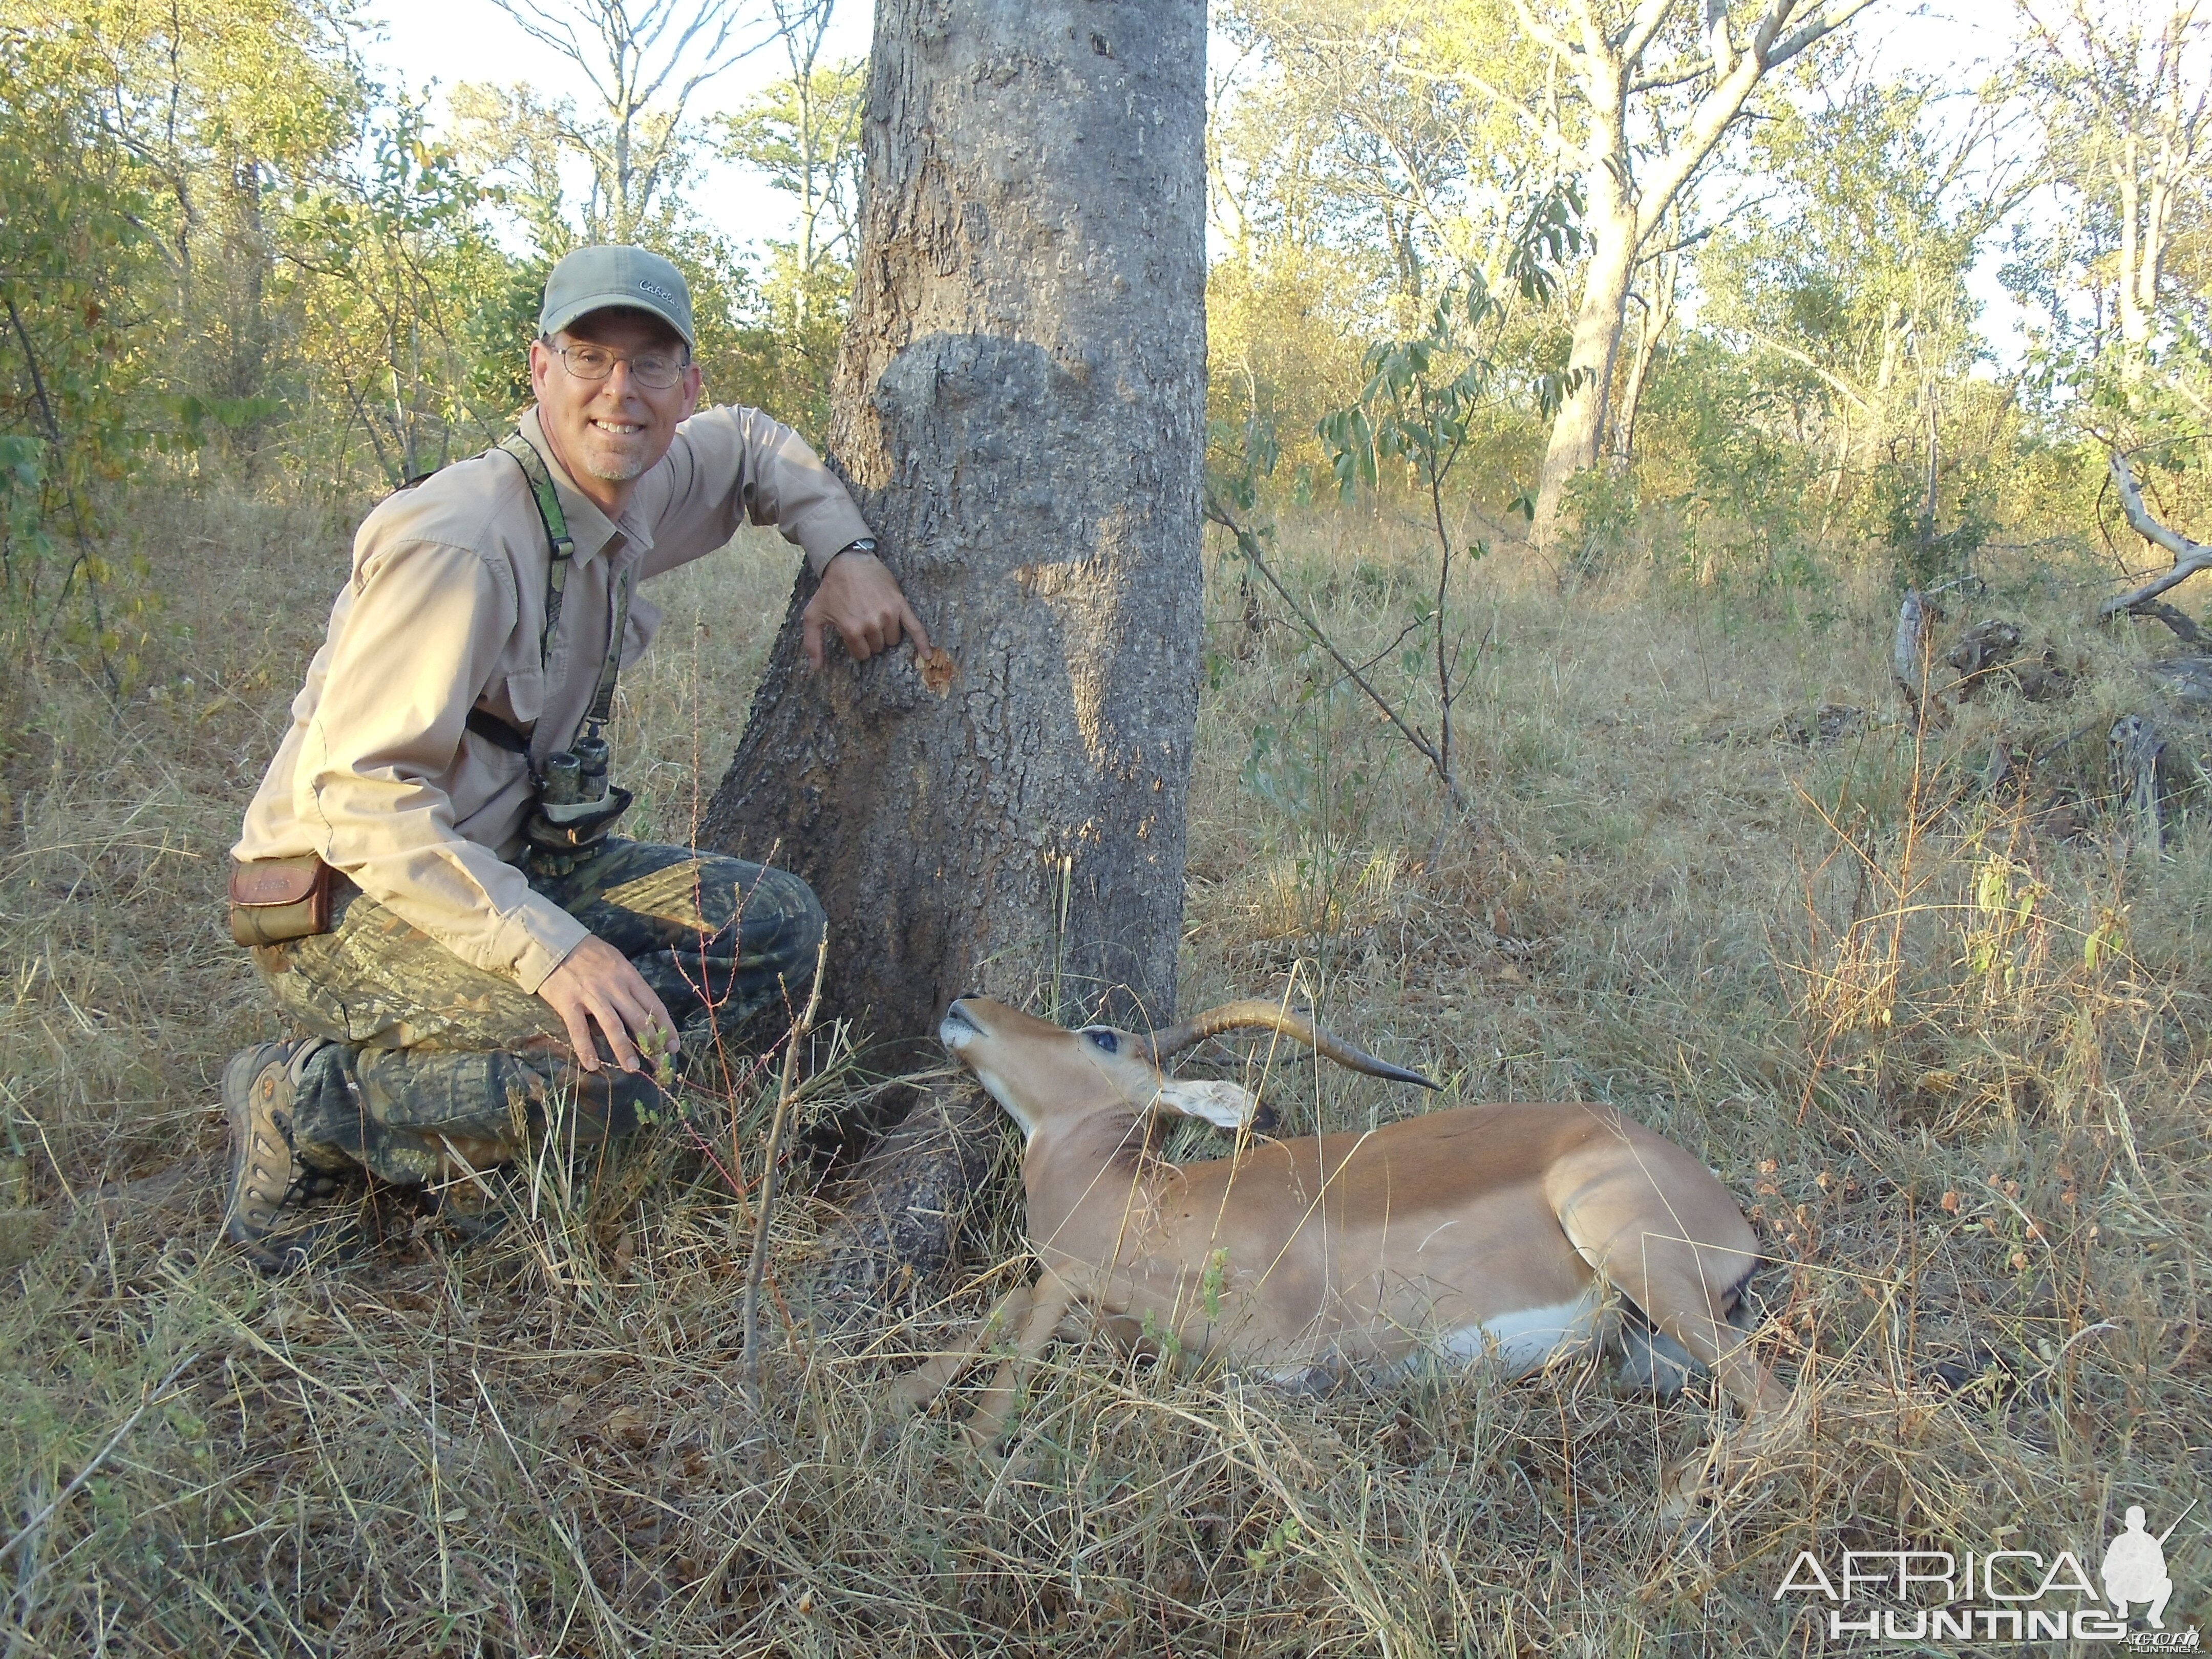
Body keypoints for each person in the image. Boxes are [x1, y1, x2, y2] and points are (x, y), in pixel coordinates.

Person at [221, 245, 928, 1269]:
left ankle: (512, 1165)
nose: (619, 392)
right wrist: (551, 949)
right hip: (344, 897)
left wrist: (847, 552)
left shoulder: (647, 473)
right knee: (614, 1072)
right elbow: (355, 799)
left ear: (688, 385)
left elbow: (757, 444)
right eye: (589, 356)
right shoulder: (460, 538)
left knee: (774, 925)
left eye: (650, 366)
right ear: (539, 367)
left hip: (513, 857)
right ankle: (307, 1102)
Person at [2102, 1505, 2175, 1628]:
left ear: (2144, 1522)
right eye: (2132, 1521)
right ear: (2126, 1523)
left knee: (2167, 1584)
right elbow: (2106, 1570)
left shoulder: (2151, 1542)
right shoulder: (2119, 1542)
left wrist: (2147, 1567)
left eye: (2138, 1521)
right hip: (2121, 1590)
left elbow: (2163, 1571)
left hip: (2144, 1590)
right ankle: (2122, 1607)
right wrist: (2126, 1566)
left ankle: (2154, 1616)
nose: (2135, 1525)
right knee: (2109, 1585)